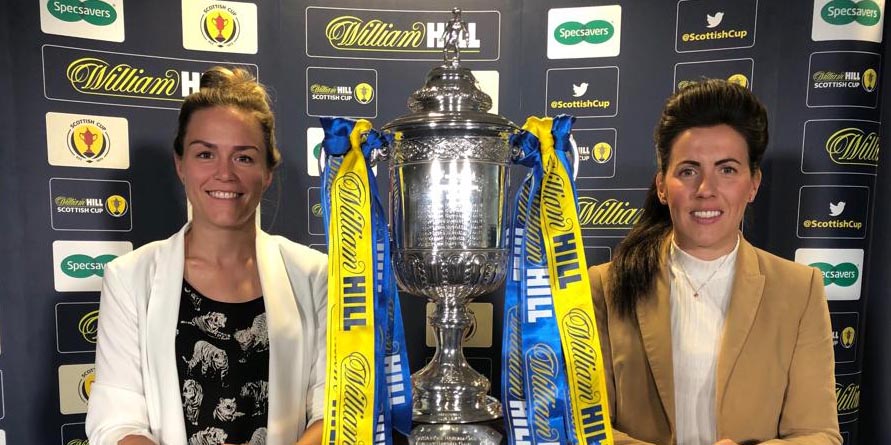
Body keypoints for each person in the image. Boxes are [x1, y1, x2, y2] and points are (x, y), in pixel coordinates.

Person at [589, 79, 841, 445]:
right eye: (688, 170)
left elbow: (819, 434)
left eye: (727, 170)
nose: (706, 188)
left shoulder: (799, 289)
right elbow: (586, 427)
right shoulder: (606, 285)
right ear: (662, 186)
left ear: (753, 184)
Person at [86, 67, 327, 445]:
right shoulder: (130, 277)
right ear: (180, 165)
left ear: (267, 172)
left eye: (244, 158)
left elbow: (333, 410)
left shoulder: (315, 276)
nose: (224, 174)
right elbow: (116, 422)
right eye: (205, 154)